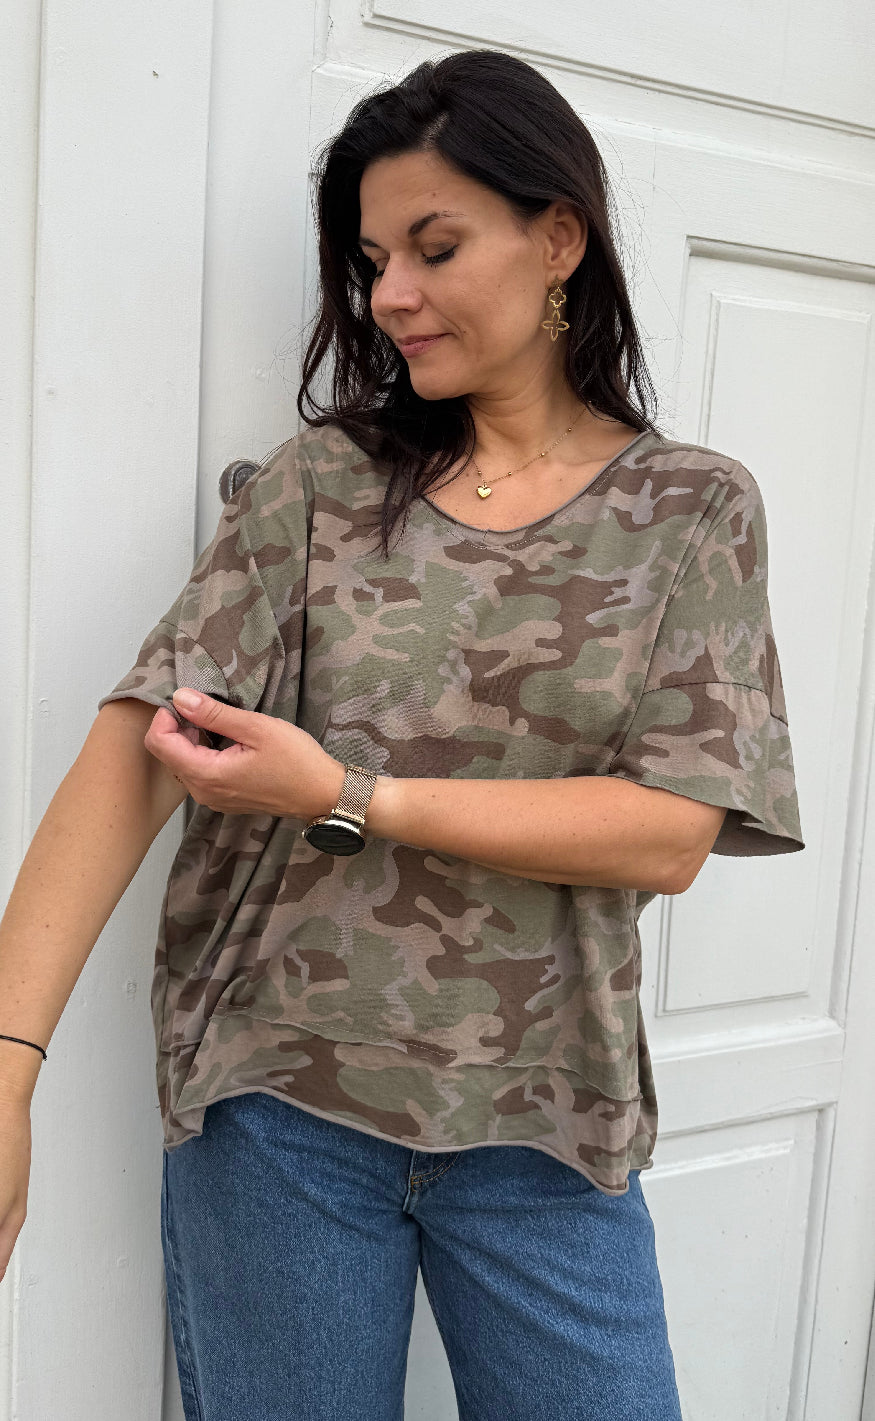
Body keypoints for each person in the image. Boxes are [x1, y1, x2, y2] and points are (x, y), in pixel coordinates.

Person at [0, 46, 804, 1421]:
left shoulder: (690, 508)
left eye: (436, 247)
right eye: (374, 260)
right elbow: (138, 747)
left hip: (547, 1123)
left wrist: (347, 792)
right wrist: (9, 1064)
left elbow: (670, 830)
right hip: (277, 1104)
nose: (390, 297)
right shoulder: (323, 484)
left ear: (559, 239)